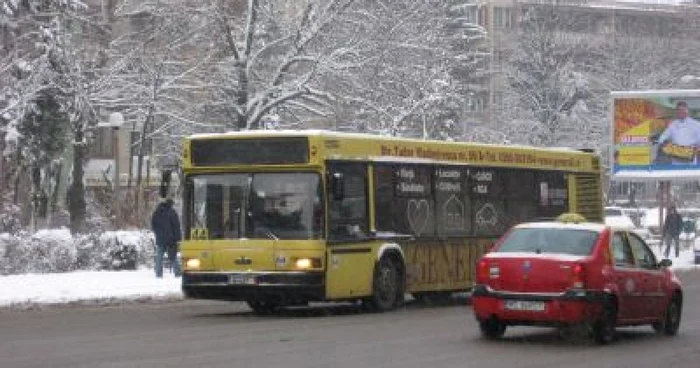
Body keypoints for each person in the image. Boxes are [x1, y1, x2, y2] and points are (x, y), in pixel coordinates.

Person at [151, 198, 182, 277]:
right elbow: (176, 227)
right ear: (170, 204)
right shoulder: (172, 212)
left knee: (159, 257)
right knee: (173, 256)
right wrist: (178, 239)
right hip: (171, 239)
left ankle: (158, 274)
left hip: (160, 238)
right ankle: (178, 272)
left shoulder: (157, 212)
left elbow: (153, 225)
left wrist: (157, 233)